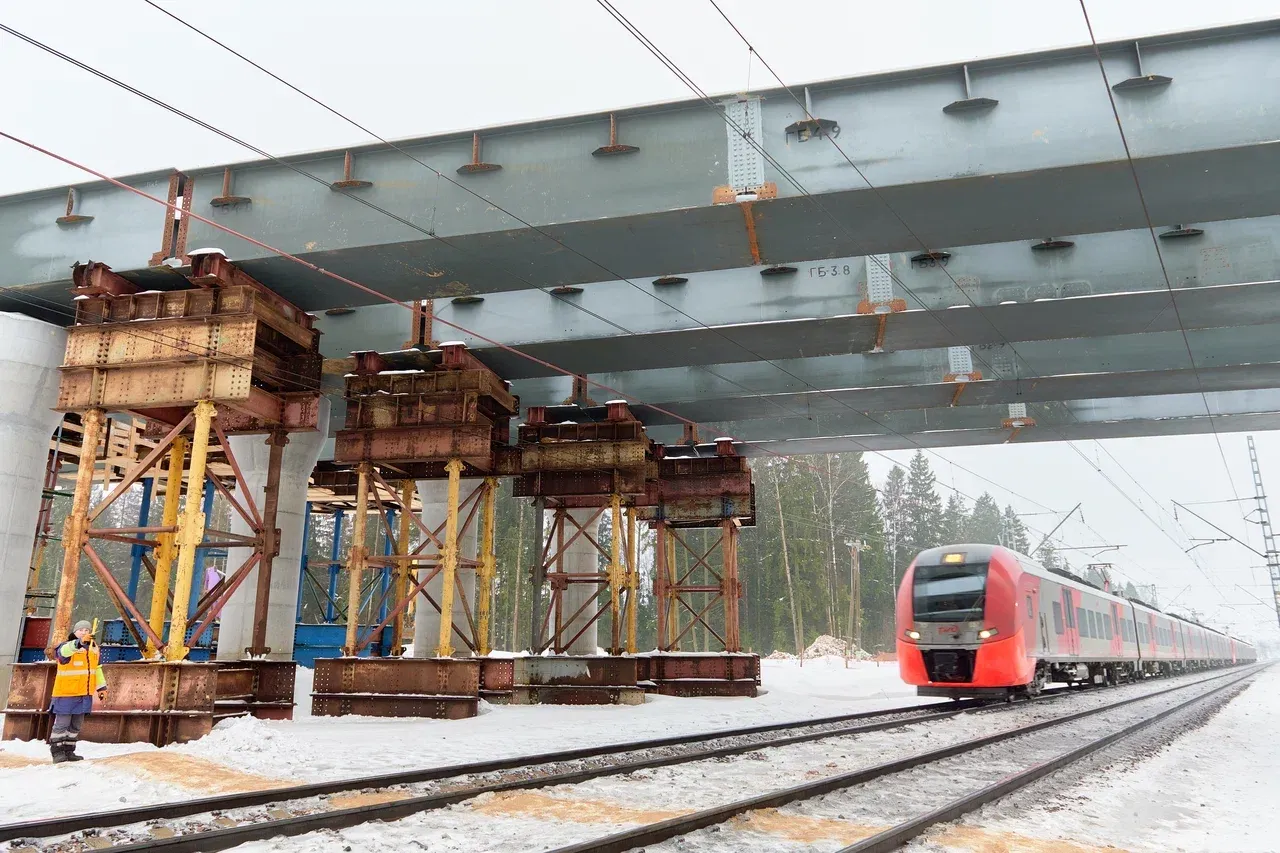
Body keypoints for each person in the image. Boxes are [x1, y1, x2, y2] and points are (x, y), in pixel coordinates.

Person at [49, 620, 107, 764]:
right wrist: (78, 643)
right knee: (62, 724)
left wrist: (102, 688)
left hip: (84, 694)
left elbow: (97, 669)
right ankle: (57, 752)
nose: (84, 632)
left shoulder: (94, 649)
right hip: (66, 693)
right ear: (75, 632)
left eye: (87, 630)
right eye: (80, 630)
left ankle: (69, 751)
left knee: (76, 725)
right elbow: (63, 652)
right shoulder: (66, 646)